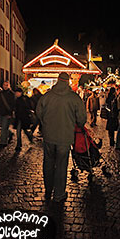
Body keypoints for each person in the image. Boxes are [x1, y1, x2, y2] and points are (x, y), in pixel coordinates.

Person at [35, 72, 87, 204]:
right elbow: (81, 119)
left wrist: (45, 123)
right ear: (68, 81)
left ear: (58, 80)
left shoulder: (47, 96)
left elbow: (38, 113)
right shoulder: (74, 98)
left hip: (49, 136)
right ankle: (59, 194)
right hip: (65, 137)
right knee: (61, 165)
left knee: (48, 163)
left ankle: (48, 190)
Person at [0, 81, 17, 148]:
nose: (5, 86)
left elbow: (13, 105)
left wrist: (10, 113)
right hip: (0, 113)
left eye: (7, 85)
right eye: (4, 85)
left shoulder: (12, 94)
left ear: (9, 86)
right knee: (3, 127)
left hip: (7, 114)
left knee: (4, 128)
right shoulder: (0, 93)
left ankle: (3, 142)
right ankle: (10, 133)